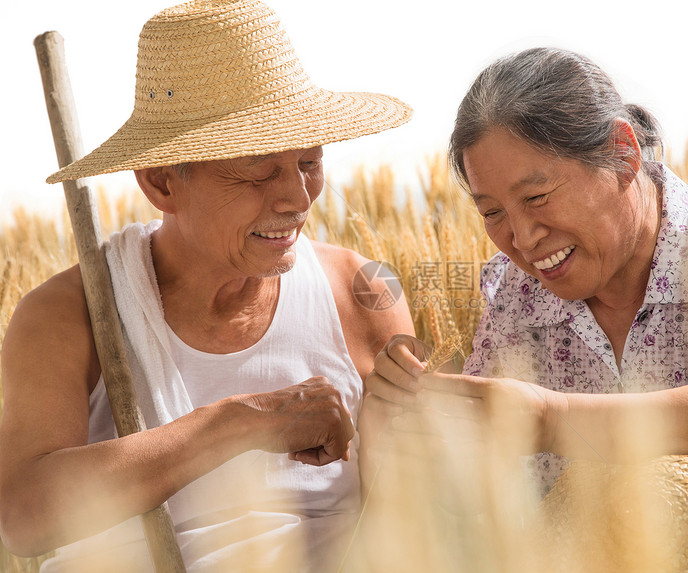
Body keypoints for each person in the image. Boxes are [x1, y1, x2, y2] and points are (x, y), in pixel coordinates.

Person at [0, 0, 413, 570]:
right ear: (162, 182)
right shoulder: (70, 315)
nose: (297, 197)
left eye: (310, 159)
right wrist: (243, 423)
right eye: (260, 168)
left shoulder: (363, 294)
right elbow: (24, 518)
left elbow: (417, 515)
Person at [366, 47, 688, 499]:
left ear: (623, 154)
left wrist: (549, 418)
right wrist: (401, 412)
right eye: (492, 212)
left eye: (537, 197)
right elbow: (477, 496)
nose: (521, 238)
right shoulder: (515, 301)